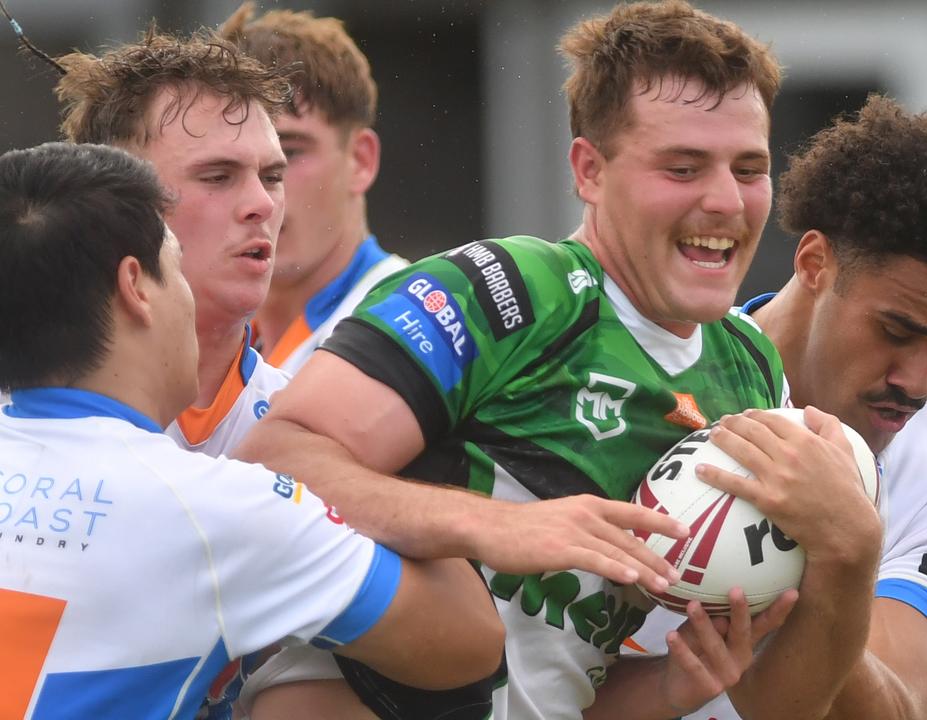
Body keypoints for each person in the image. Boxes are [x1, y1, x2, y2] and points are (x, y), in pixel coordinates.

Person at [233, 1, 798, 717]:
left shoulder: (752, 373)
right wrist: (499, 526)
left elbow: (558, 691)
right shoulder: (506, 289)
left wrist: (667, 687)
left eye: (749, 168)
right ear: (589, 170)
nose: (726, 201)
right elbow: (274, 462)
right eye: (683, 167)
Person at [0, 141, 504, 719]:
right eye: (176, 261)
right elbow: (468, 643)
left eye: (274, 174)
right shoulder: (217, 512)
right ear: (135, 287)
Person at [618, 94, 927, 719]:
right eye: (896, 332)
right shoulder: (641, 366)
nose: (918, 381)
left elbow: (903, 710)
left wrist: (846, 551)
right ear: (815, 263)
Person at [52, 28, 292, 457]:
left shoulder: (312, 429)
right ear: (114, 206)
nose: (262, 204)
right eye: (218, 177)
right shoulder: (21, 422)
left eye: (272, 177)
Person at [219, 4, 411, 375]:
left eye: (288, 152)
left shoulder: (412, 323)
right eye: (227, 166)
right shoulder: (203, 343)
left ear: (360, 160)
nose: (259, 195)